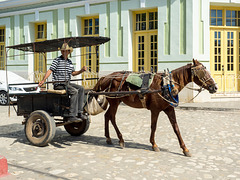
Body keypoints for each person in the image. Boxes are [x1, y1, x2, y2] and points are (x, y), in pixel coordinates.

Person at [38, 43, 88, 122]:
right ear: (61, 52)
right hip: (59, 84)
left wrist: (81, 71)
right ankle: (72, 115)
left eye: (66, 51)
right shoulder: (57, 60)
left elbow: (73, 73)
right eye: (63, 51)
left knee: (81, 88)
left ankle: (79, 112)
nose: (64, 52)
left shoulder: (69, 62)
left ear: (68, 52)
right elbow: (50, 70)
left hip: (67, 83)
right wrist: (43, 80)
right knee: (74, 91)